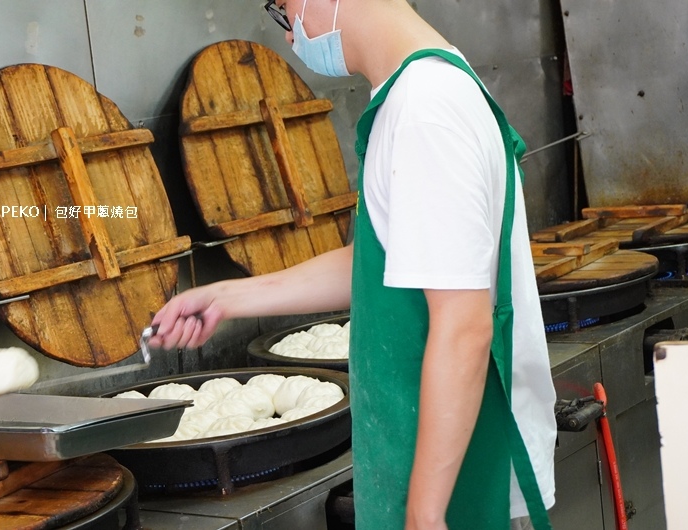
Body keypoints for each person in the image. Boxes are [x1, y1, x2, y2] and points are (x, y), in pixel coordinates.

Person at [148, 0, 557, 528]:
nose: (292, 36)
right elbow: (390, 260)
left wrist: (424, 514)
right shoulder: (415, 96)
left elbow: (464, 327)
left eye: (283, 9)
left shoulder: (425, 109)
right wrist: (228, 298)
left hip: (464, 480)